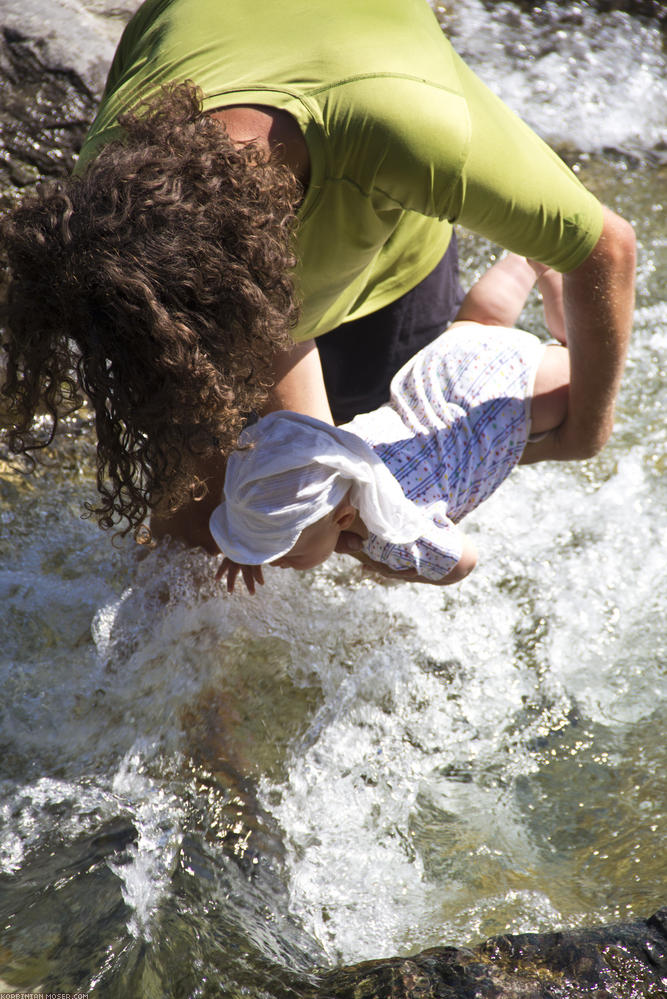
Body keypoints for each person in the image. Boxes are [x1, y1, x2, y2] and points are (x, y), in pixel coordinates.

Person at [0, 0, 635, 570]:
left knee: (316, 501)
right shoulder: (111, 197)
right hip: (202, 278)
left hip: (389, 270)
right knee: (205, 524)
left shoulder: (407, 128)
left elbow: (607, 247)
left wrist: (588, 429)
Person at [211, 254, 571, 594]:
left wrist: (384, 563)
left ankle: (564, 300)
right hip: (448, 368)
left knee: (572, 359)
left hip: (502, 402)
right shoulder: (334, 452)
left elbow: (463, 563)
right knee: (483, 322)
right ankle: (530, 260)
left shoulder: (393, 533)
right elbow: (272, 482)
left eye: (284, 553)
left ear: (343, 518)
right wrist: (245, 543)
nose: (276, 562)